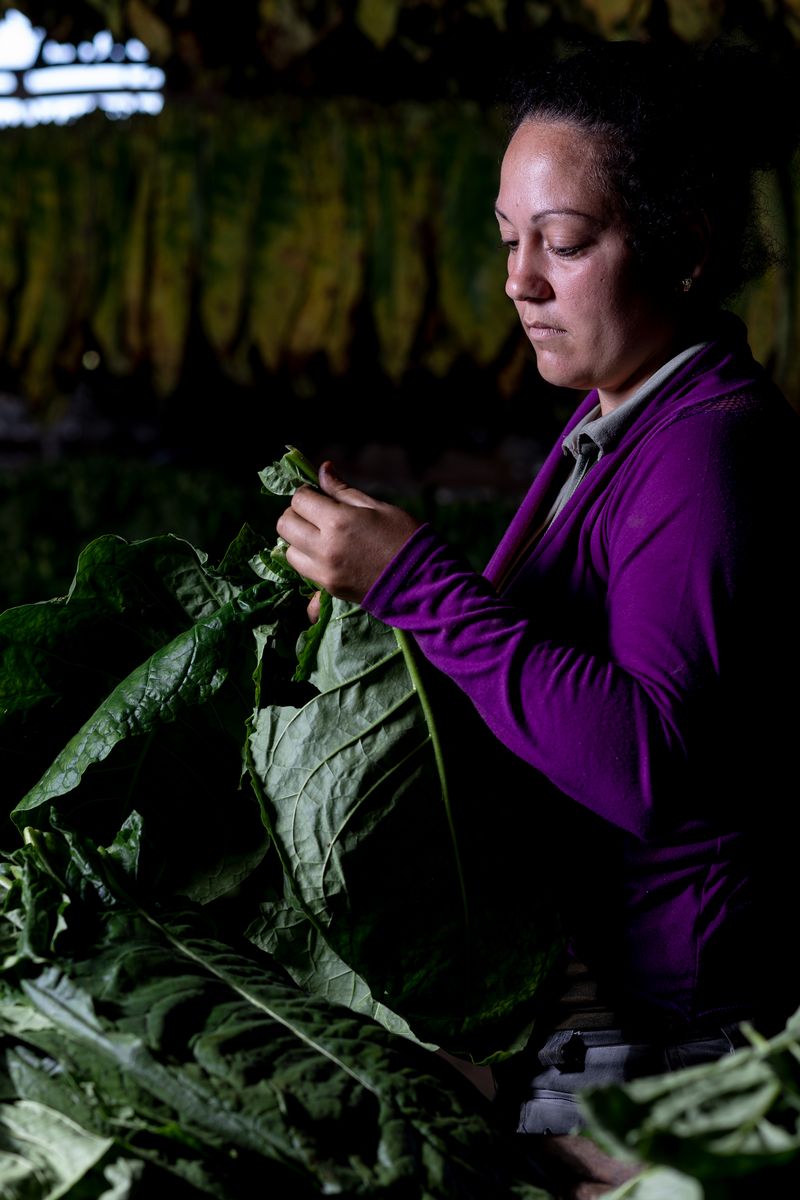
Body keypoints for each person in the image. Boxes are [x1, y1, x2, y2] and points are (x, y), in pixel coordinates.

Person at [276, 36, 800, 1195]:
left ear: (681, 250)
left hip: (671, 1031)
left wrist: (415, 583)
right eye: (508, 241)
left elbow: (642, 764)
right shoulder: (615, 415)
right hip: (574, 975)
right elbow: (527, 662)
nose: (519, 280)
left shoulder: (705, 455)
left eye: (559, 244)